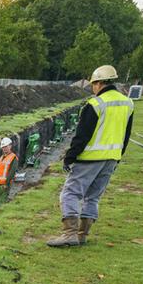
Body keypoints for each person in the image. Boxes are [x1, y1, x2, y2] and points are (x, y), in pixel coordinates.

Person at [48, 65, 134, 247]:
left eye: (94, 84)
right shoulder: (127, 103)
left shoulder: (96, 104)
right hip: (111, 158)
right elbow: (126, 135)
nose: (93, 88)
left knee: (70, 194)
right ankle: (82, 235)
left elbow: (82, 135)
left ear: (99, 83)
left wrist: (70, 156)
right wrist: (118, 157)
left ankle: (69, 233)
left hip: (90, 158)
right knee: (93, 197)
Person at [0, 137, 19, 207]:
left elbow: (12, 172)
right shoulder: (1, 157)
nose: (4, 149)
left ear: (10, 146)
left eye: (6, 147)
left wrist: (6, 184)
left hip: (4, 185)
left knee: (2, 203)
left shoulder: (13, 158)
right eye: (3, 147)